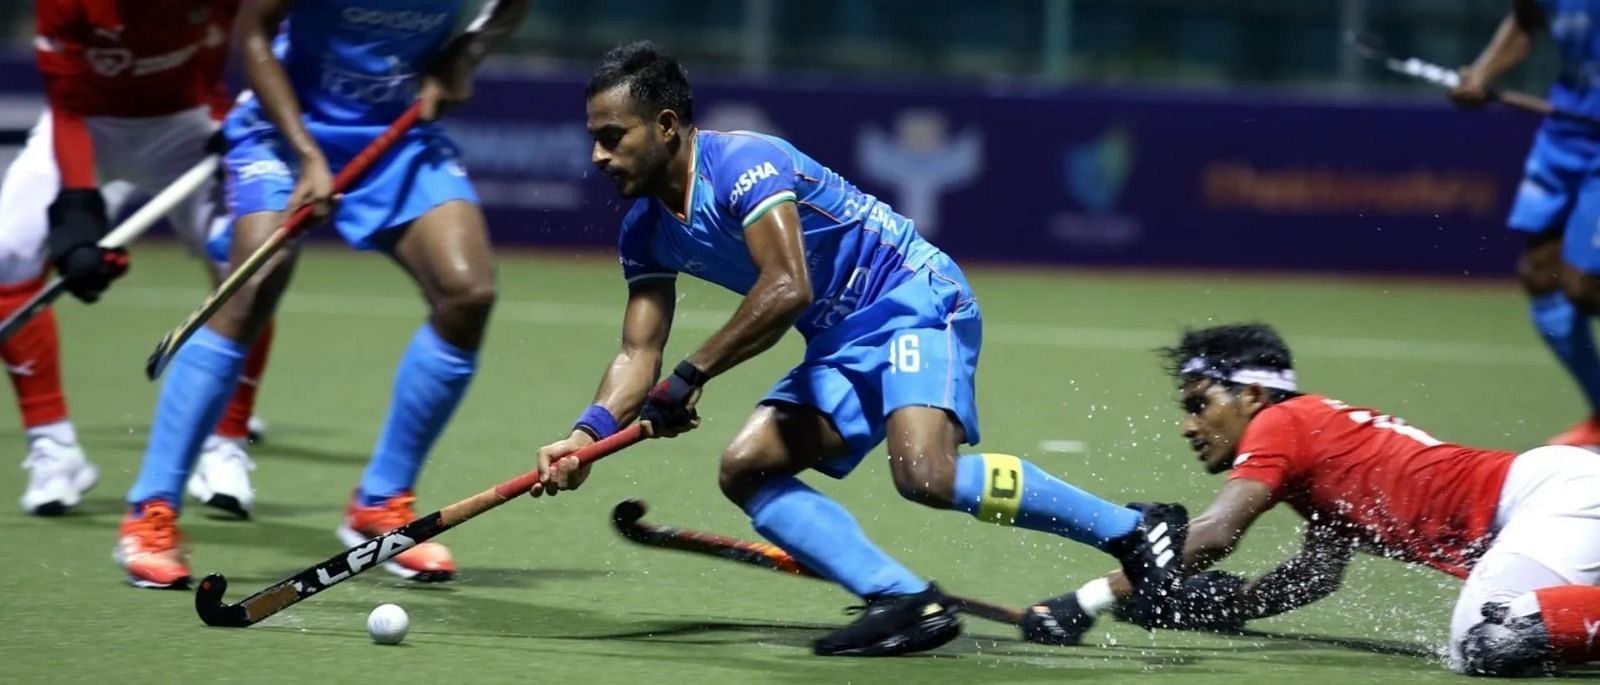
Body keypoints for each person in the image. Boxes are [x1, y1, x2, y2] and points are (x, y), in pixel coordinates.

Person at [528, 40, 1188, 657]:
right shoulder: (644, 230)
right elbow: (636, 352)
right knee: (747, 466)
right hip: (842, 339)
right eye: (593, 139)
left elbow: (787, 286)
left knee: (926, 473)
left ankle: (1132, 528)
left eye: (612, 137)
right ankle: (904, 598)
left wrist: (692, 373)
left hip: (915, 299)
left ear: (666, 125)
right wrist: (586, 434)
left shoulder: (744, 163)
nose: (597, 156)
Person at [113, 0, 528, 590]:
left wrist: (466, 53)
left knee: (468, 293)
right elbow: (252, 30)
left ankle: (379, 505)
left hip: (396, 132)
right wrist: (307, 153)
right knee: (254, 284)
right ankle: (150, 512)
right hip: (285, 128)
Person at [1021, 323, 1600, 676]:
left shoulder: (1284, 424)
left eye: (1199, 404)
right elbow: (1315, 576)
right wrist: (1224, 606)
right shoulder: (1315, 441)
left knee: (1484, 642)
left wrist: (1085, 600)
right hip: (1556, 501)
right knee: (1527, 633)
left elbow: (1217, 532)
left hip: (1552, 501)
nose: (1188, 426)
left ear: (1250, 393)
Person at [12, 0, 273, 518]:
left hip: (187, 126)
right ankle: (55, 450)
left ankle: (225, 446)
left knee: (252, 267)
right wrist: (78, 219)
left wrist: (238, 122)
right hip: (89, 123)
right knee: (8, 257)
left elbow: (264, 41)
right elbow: (66, 107)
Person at [1452, 0, 1600, 447]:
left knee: (1583, 285)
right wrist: (1481, 74)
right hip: (1566, 133)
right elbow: (1525, 20)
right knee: (1541, 272)